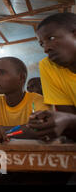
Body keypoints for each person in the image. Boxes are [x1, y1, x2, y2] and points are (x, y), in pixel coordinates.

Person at [0, 57, 49, 143]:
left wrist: (1, 131)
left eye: (2, 73)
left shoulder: (36, 100)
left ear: (21, 77)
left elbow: (40, 129)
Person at [28, 13, 76, 141]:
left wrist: (69, 121)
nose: (46, 48)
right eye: (42, 44)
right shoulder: (48, 66)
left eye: (51, 38)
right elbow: (70, 124)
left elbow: (70, 120)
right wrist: (52, 125)